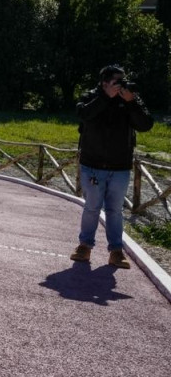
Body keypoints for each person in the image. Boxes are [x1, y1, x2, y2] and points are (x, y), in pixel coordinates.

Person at [69, 65, 153, 269]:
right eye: (117, 82)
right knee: (91, 207)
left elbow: (146, 124)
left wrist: (131, 103)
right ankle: (84, 247)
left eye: (122, 81)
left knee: (115, 210)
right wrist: (106, 97)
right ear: (104, 83)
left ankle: (116, 251)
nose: (121, 86)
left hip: (120, 166)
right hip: (92, 164)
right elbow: (84, 113)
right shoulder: (91, 97)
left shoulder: (130, 100)